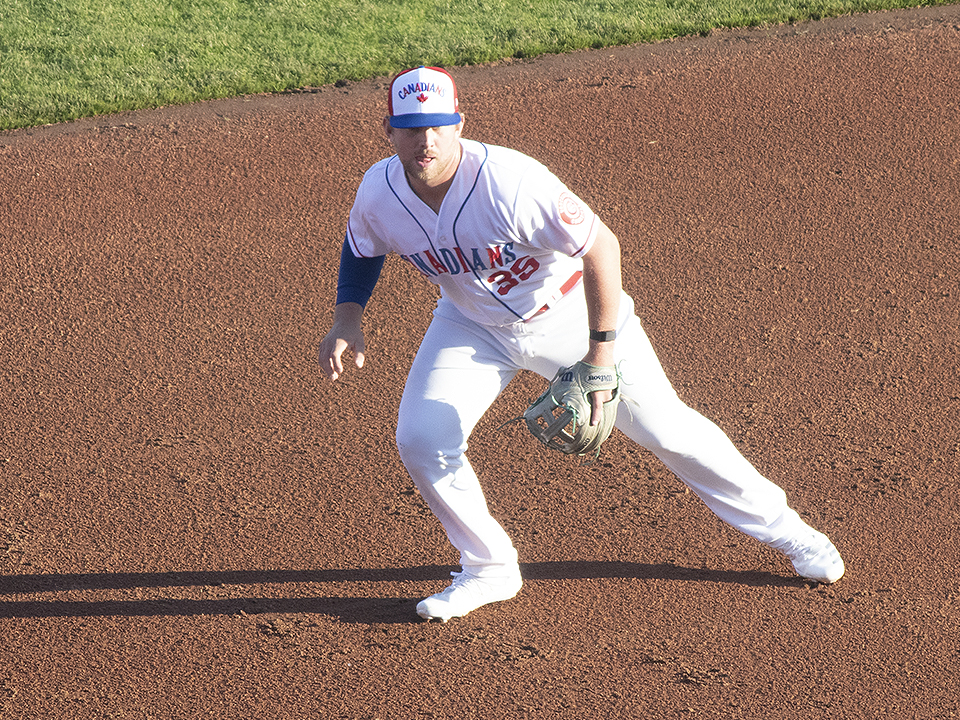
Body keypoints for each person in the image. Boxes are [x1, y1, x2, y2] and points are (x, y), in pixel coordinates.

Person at [318, 66, 845, 622]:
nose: (426, 140)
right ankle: (489, 567)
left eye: (438, 126)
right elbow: (363, 245)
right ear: (390, 130)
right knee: (422, 439)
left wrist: (600, 353)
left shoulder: (511, 183)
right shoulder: (380, 190)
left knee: (668, 430)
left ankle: (792, 534)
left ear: (459, 126)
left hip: (570, 316)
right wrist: (347, 318)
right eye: (412, 128)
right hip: (469, 325)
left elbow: (601, 248)